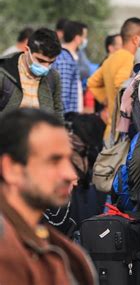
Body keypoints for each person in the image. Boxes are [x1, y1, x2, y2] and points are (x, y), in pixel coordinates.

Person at [0, 108, 97, 285]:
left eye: (69, 160)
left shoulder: (65, 252)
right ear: (11, 168)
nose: (69, 174)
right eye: (54, 161)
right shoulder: (6, 249)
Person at [87, 17, 140, 138]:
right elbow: (121, 84)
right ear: (136, 39)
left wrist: (106, 100)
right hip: (120, 132)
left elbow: (92, 82)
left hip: (109, 129)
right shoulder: (128, 59)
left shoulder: (112, 58)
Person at [0, 28, 63, 122]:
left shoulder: (53, 77)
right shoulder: (4, 71)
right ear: (26, 50)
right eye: (40, 60)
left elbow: (58, 113)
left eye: (51, 62)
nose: (46, 67)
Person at [52, 21, 88, 116]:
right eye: (84, 37)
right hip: (67, 117)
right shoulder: (65, 59)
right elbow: (63, 95)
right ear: (77, 38)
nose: (85, 40)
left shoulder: (69, 57)